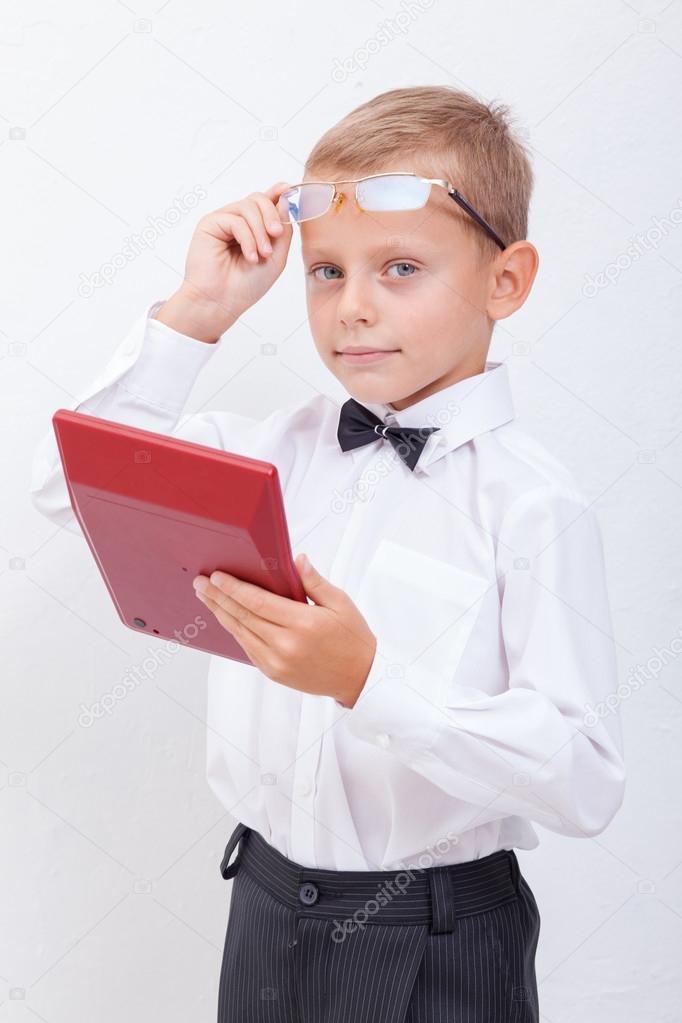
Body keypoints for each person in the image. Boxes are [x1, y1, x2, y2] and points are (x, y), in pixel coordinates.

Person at [29, 85, 626, 1022]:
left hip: (439, 936)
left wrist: (369, 680)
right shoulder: (266, 451)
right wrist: (196, 310)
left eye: (399, 267)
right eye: (324, 272)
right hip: (263, 905)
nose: (351, 308)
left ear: (505, 282)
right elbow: (66, 487)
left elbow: (585, 778)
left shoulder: (534, 503)